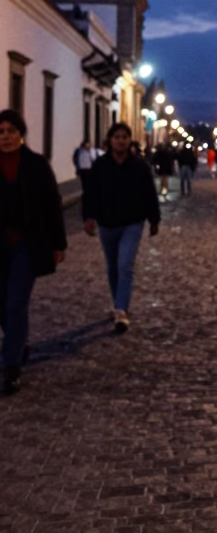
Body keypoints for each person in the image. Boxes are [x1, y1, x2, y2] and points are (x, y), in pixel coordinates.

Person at [0, 109, 66, 394]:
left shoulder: (36, 165)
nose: (5, 137)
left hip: (26, 245)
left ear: (21, 133)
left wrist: (58, 243)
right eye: (1, 132)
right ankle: (18, 341)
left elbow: (53, 203)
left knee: (16, 304)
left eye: (10, 131)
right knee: (3, 306)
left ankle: (10, 367)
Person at [83, 121, 160, 333]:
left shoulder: (139, 166)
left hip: (132, 222)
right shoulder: (100, 166)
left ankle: (121, 309)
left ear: (129, 140)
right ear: (110, 141)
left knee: (125, 263)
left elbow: (149, 194)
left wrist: (154, 219)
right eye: (116, 137)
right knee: (112, 266)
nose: (120, 141)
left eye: (124, 137)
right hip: (107, 223)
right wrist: (89, 216)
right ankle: (118, 300)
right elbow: (91, 193)